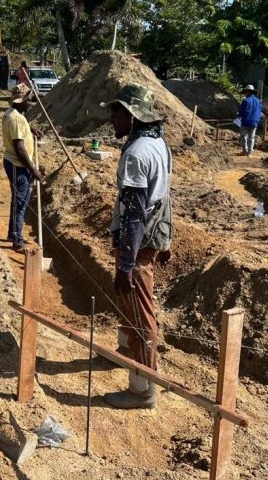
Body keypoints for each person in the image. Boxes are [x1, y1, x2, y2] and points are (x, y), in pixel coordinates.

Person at [100, 84, 173, 409]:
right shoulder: (157, 144)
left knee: (142, 313)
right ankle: (129, 352)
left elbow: (133, 215)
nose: (111, 118)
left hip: (139, 241)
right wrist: (166, 239)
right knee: (132, 306)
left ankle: (143, 388)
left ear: (132, 116)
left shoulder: (136, 154)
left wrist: (126, 265)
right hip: (152, 234)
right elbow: (163, 195)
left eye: (116, 112)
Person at [2, 84, 43, 251]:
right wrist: (33, 169)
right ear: (20, 101)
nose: (30, 104)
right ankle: (17, 240)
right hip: (17, 165)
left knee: (17, 199)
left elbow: (19, 130)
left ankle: (13, 232)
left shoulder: (13, 114)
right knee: (21, 202)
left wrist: (29, 128)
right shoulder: (16, 119)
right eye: (28, 101)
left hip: (13, 163)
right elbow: (19, 149)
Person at [236, 84, 262, 156]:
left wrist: (238, 115)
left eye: (245, 93)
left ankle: (244, 150)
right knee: (251, 137)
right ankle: (250, 152)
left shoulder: (245, 101)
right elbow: (260, 110)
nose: (245, 94)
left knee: (243, 136)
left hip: (246, 122)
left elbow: (241, 112)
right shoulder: (258, 101)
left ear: (247, 92)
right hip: (255, 122)